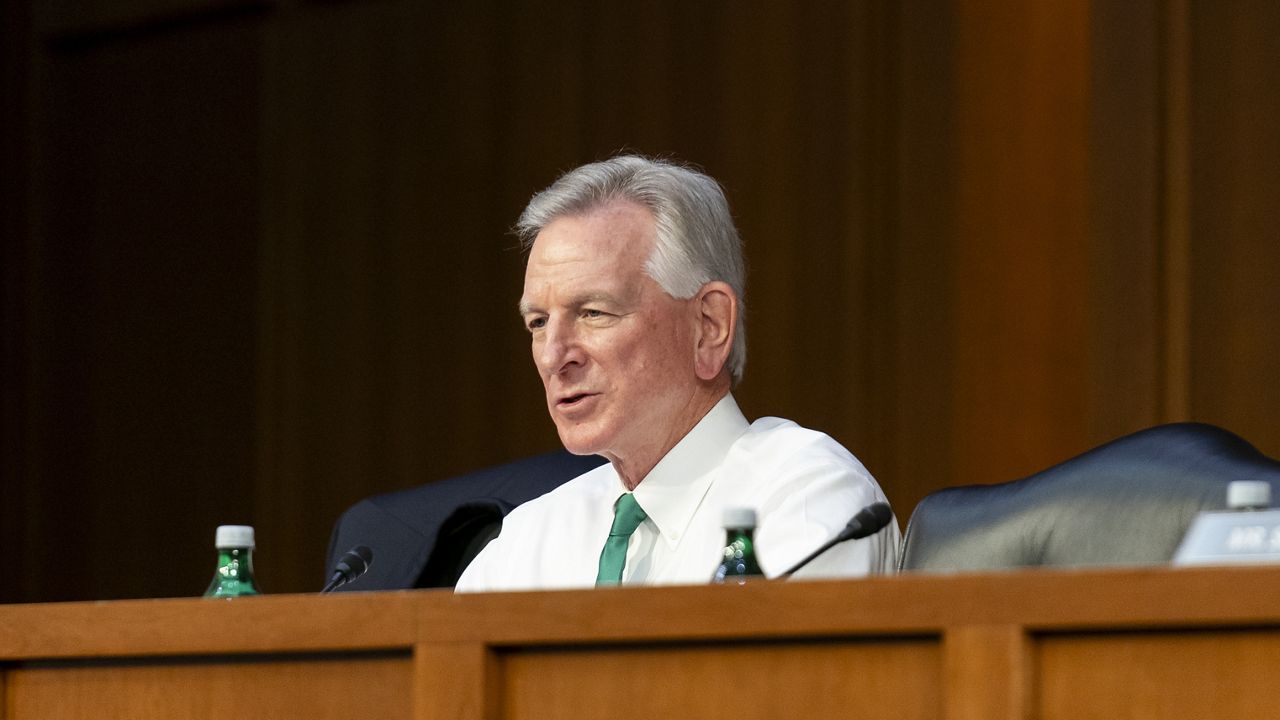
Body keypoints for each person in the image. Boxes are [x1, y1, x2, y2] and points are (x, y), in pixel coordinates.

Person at [454, 155, 899, 592]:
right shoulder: (524, 545)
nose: (554, 356)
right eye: (538, 322)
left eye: (593, 312)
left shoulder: (803, 498)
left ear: (709, 326)